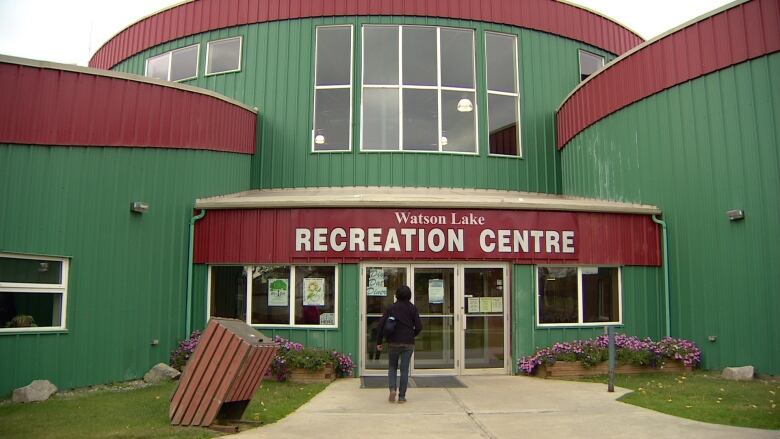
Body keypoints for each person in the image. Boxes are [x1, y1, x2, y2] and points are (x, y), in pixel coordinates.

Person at [375, 285, 422, 403]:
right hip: (408, 343)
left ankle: (392, 389)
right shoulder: (412, 308)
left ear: (397, 295)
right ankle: (402, 397)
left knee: (392, 367)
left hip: (393, 342)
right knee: (404, 369)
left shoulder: (391, 308)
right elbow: (419, 326)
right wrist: (412, 334)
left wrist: (379, 341)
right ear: (409, 295)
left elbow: (381, 325)